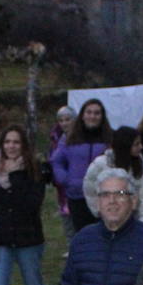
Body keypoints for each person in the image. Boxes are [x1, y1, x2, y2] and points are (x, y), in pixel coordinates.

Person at [0, 125, 49, 285]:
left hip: (28, 239)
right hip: (1, 239)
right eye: (7, 142)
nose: (11, 146)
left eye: (16, 142)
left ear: (23, 145)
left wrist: (15, 175)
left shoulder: (35, 170)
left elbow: (31, 205)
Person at [50, 98, 112, 230]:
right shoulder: (69, 137)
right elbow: (57, 161)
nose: (92, 116)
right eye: (89, 112)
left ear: (102, 116)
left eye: (97, 113)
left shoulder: (110, 138)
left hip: (103, 196)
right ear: (82, 115)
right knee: (82, 236)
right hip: (77, 196)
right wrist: (65, 179)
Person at [83, 125, 143, 225]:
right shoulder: (100, 164)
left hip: (134, 221)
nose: (141, 147)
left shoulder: (142, 165)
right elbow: (89, 189)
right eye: (136, 144)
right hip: (106, 219)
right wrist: (100, 211)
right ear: (125, 145)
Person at [48, 105, 76, 235]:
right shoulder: (55, 138)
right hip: (61, 185)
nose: (64, 123)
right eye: (61, 120)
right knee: (66, 217)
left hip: (76, 182)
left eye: (68, 119)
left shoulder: (80, 138)